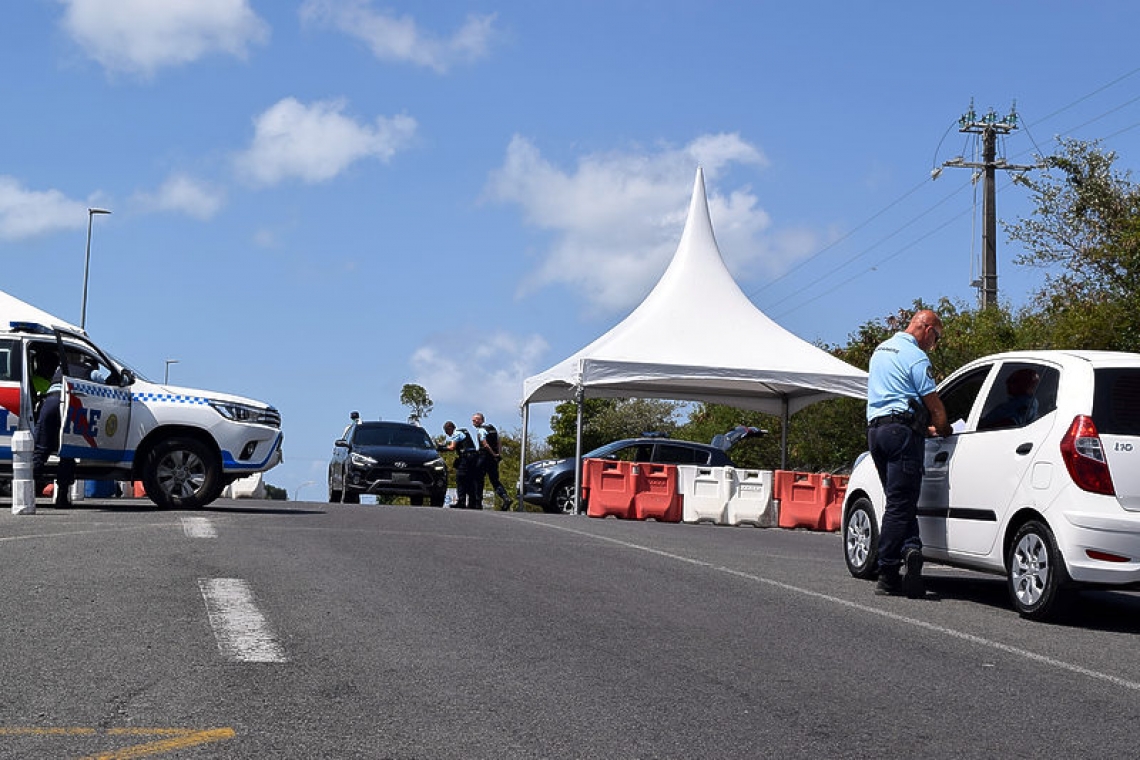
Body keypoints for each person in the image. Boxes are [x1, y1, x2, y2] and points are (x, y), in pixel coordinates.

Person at [865, 309, 952, 598]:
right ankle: (888, 573)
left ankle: (911, 548)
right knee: (900, 505)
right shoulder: (916, 357)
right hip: (901, 434)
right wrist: (944, 428)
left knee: (899, 500)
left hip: (877, 432)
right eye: (936, 337)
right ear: (927, 329)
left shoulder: (881, 349)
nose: (934, 344)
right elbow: (935, 405)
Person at [472, 412, 513, 510]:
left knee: (478, 479)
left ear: (481, 420)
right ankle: (505, 497)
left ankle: (478, 503)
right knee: (495, 480)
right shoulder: (492, 429)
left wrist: (493, 454)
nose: (473, 422)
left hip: (484, 457)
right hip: (493, 459)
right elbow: (499, 442)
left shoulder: (481, 430)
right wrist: (498, 454)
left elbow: (485, 444)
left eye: (475, 420)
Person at [441, 420, 481, 509]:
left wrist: (442, 448)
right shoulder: (464, 432)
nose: (448, 435)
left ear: (450, 428)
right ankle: (473, 503)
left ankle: (461, 502)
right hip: (473, 458)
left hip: (466, 458)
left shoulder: (456, 433)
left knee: (460, 479)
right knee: (470, 480)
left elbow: (452, 447)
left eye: (447, 432)